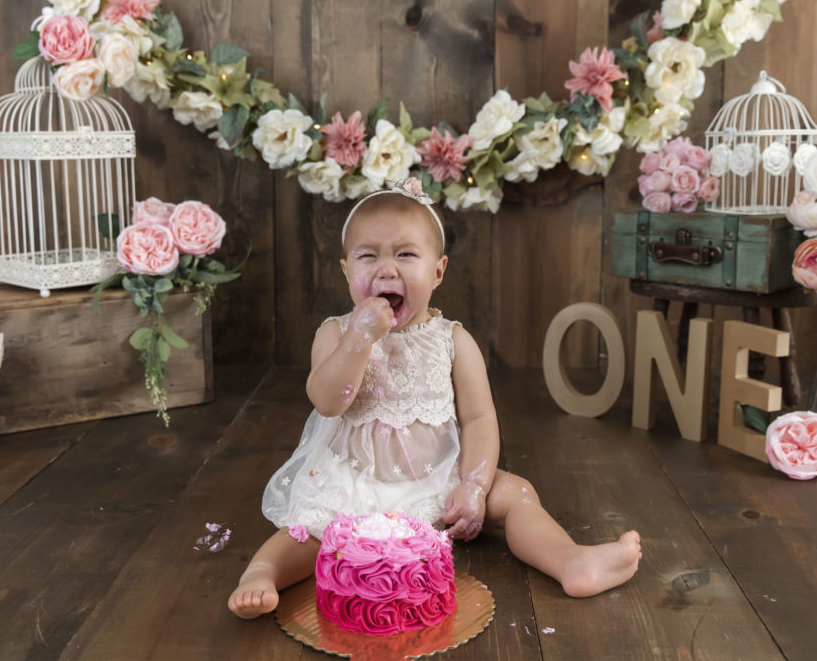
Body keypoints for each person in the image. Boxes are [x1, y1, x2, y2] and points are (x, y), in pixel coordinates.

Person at [228, 178, 641, 619]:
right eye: (369, 255)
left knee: (517, 493)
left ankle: (570, 561)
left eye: (405, 254)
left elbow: (480, 418)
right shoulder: (335, 333)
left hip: (437, 485)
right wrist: (359, 339)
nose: (387, 269)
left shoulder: (453, 341)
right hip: (353, 486)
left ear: (438, 271)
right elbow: (328, 401)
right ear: (347, 270)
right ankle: (261, 573)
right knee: (304, 534)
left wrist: (475, 485)